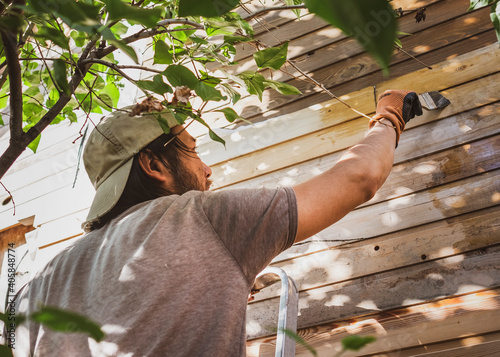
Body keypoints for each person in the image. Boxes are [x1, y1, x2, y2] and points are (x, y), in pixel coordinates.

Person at [13, 91, 422, 356]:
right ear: (154, 165)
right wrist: (388, 116)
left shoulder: (38, 286)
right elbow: (359, 176)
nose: (208, 170)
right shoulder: (200, 217)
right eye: (193, 152)